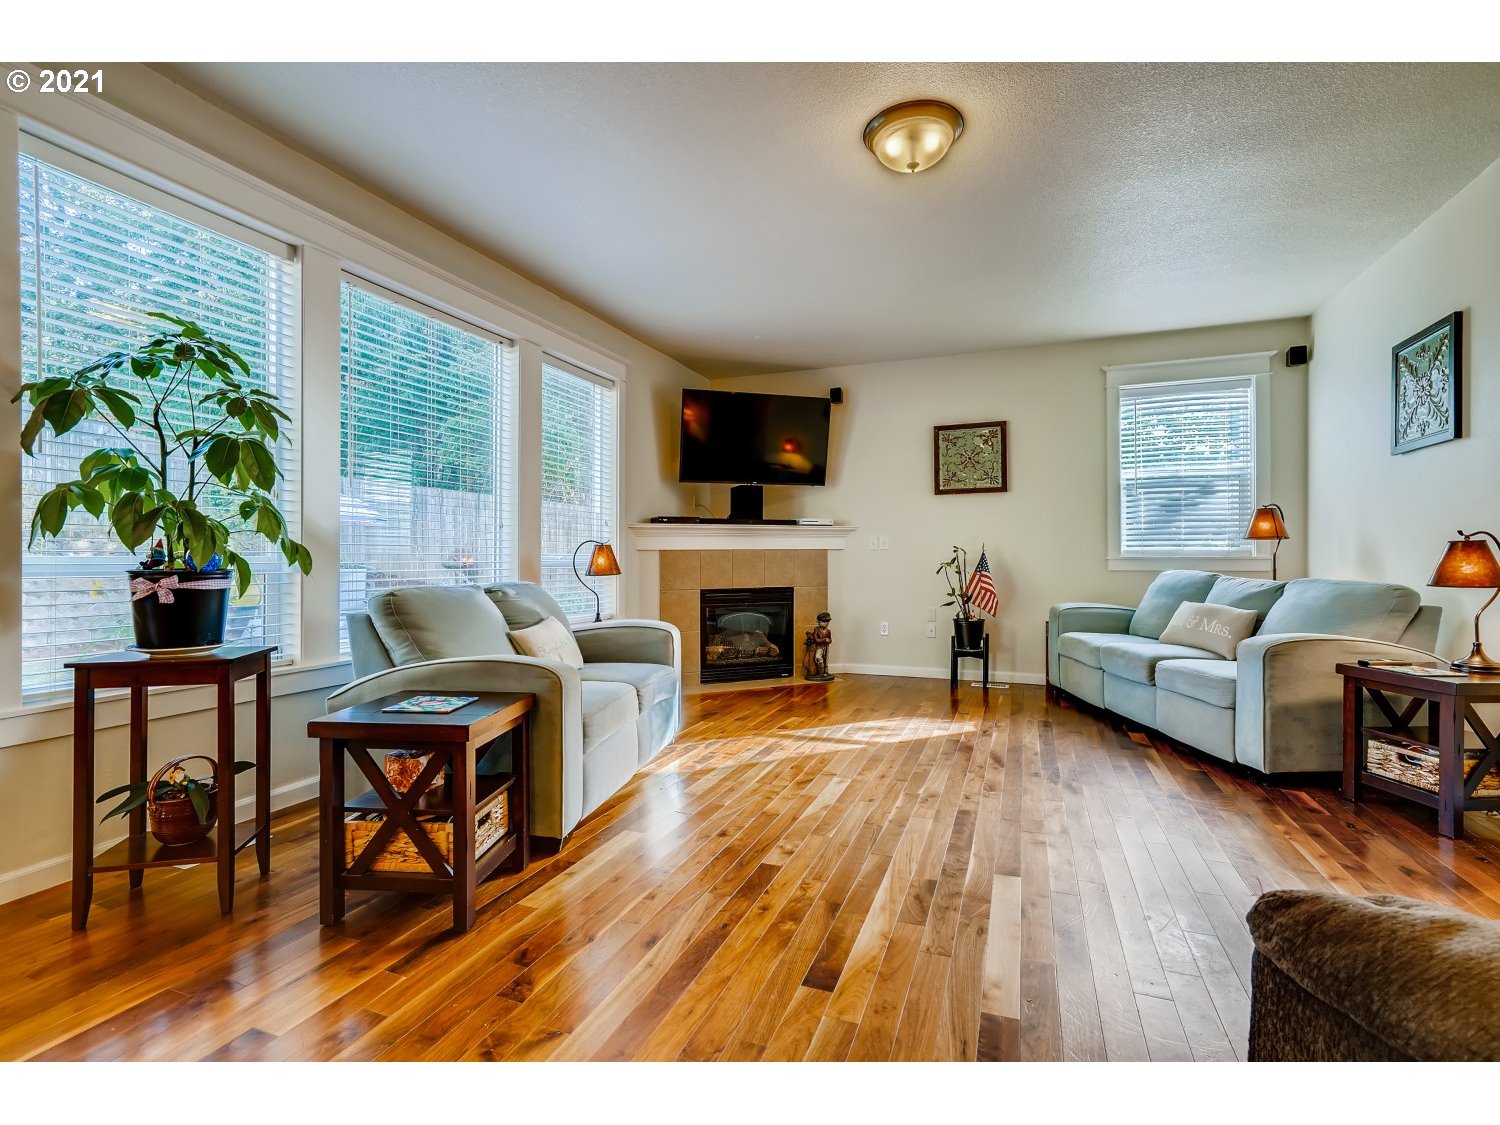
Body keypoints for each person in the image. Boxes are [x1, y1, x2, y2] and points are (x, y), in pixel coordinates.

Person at [803, 611, 834, 681]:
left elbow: (830, 640)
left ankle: (823, 672)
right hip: (818, 647)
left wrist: (829, 640)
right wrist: (824, 639)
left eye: (827, 622)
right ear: (819, 622)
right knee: (818, 658)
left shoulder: (828, 631)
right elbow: (817, 640)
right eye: (824, 622)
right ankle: (820, 671)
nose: (826, 623)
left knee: (825, 659)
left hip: (824, 647)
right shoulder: (816, 629)